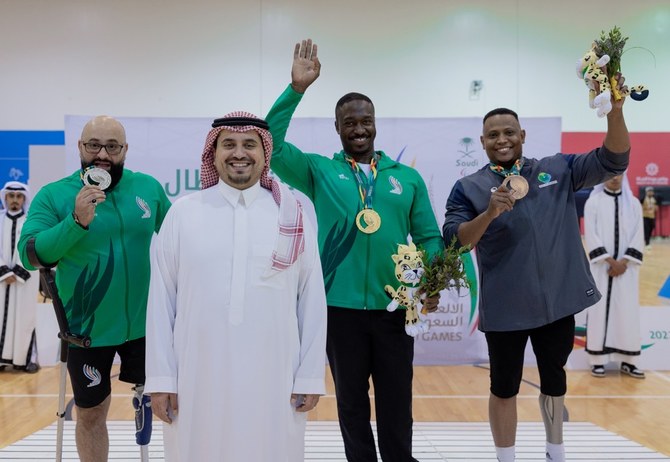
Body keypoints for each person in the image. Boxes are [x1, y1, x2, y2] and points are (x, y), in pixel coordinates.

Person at [265, 39, 444, 462]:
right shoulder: (319, 171)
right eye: (350, 122)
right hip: (338, 308)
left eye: (365, 121)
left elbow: (431, 237)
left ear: (375, 123)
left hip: (395, 306)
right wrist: (296, 89)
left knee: (397, 398)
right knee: (350, 401)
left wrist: (432, 281)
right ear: (338, 128)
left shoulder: (408, 179)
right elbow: (269, 143)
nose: (359, 129)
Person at [442, 75, 631, 462]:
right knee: (504, 387)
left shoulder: (557, 169)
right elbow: (455, 241)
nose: (502, 139)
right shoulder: (469, 187)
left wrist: (616, 110)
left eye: (509, 131)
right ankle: (505, 457)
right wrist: (490, 212)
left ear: (522, 134)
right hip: (506, 311)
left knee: (555, 380)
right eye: (492, 134)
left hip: (555, 306)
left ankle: (555, 451)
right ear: (482, 142)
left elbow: (614, 159)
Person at [144, 112, 327, 461]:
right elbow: (161, 302)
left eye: (249, 145)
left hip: (276, 376)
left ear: (265, 153)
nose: (238, 153)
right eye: (228, 144)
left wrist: (309, 376)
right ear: (212, 154)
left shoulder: (292, 213)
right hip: (196, 375)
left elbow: (312, 300)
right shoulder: (184, 213)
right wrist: (162, 379)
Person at [18, 116, 171, 462]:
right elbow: (29, 254)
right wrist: (75, 223)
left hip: (148, 326)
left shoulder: (148, 188)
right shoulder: (54, 195)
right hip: (86, 330)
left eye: (112, 147)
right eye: (93, 145)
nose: (102, 154)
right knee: (90, 414)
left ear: (125, 151)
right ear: (80, 148)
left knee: (165, 404)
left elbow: (181, 240)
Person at [584, 174, 645, 378]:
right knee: (599, 310)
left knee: (627, 312)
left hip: (626, 270)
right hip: (602, 268)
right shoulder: (593, 203)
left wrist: (624, 263)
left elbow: (639, 234)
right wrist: (610, 262)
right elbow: (591, 234)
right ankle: (597, 360)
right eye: (611, 175)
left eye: (619, 174)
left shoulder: (634, 204)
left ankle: (629, 361)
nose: (615, 178)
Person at [0, 181, 39, 373]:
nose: (15, 200)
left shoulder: (31, 224)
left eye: (19, 196)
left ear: (24, 199)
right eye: (11, 196)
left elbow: (33, 248)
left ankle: (24, 360)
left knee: (25, 319)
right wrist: (4, 271)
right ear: (5, 198)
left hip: (24, 282)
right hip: (1, 281)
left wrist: (18, 271)